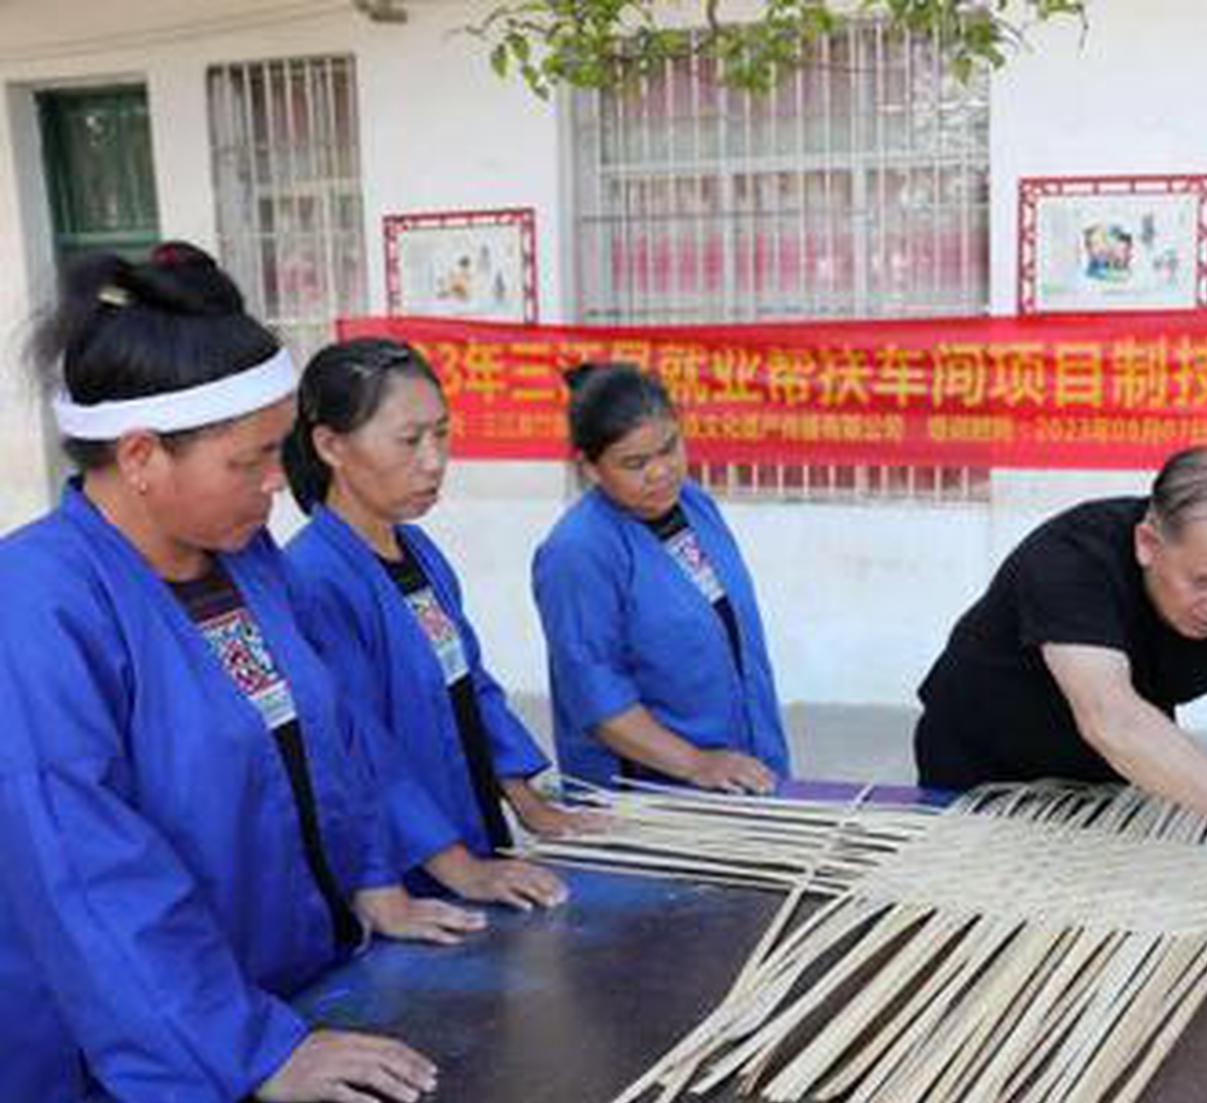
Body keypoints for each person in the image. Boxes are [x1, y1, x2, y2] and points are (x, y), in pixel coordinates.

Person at [0, 244, 484, 1102]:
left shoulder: (249, 559)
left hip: (287, 982)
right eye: (249, 460)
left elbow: (331, 731)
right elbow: (89, 874)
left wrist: (375, 876)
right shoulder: (39, 604)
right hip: (143, 1043)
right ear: (141, 456)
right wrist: (251, 1050)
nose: (276, 484)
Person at [914, 448, 1207, 919]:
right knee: (972, 922)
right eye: (1204, 581)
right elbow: (1112, 719)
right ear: (1147, 543)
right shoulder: (1072, 558)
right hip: (980, 775)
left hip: (1110, 786)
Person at [284, 338, 602, 912]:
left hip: (472, 836)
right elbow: (359, 748)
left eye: (442, 434)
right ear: (330, 445)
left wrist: (531, 805)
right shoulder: (314, 578)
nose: (433, 461)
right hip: (407, 876)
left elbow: (470, 683)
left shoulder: (417, 549)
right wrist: (459, 869)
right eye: (409, 440)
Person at [532, 363, 789, 791]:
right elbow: (596, 698)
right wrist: (695, 763)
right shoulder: (578, 552)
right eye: (634, 463)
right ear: (590, 467)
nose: (660, 472)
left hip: (742, 774)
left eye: (669, 449)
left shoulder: (694, 505)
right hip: (650, 797)